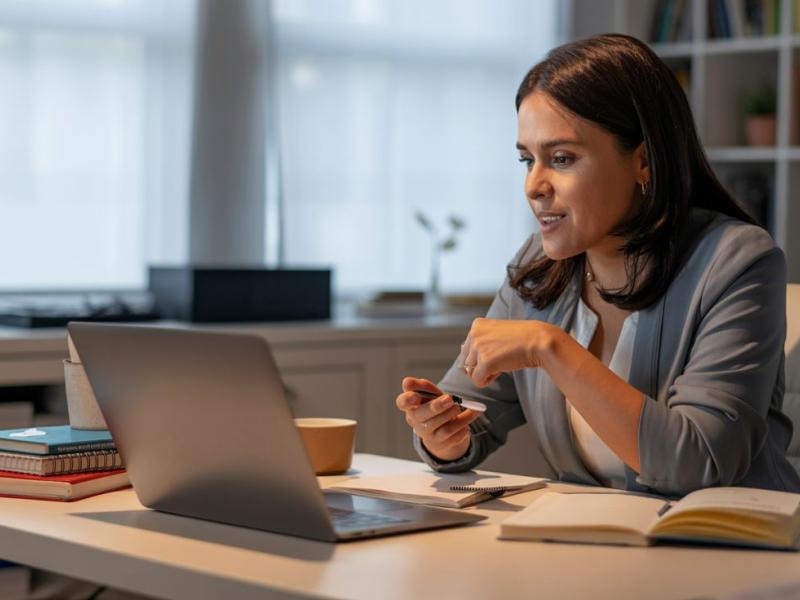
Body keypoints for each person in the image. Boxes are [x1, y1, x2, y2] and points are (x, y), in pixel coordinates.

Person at [395, 33, 800, 497]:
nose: (533, 185)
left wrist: (552, 348)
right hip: (598, 535)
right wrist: (443, 435)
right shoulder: (536, 268)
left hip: (728, 538)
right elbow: (469, 412)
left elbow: (699, 462)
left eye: (561, 158)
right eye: (527, 160)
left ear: (643, 161)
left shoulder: (737, 262)